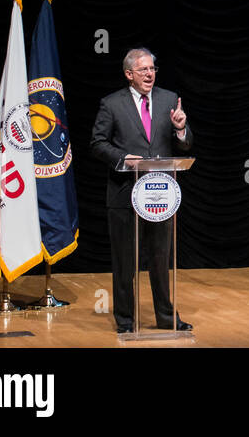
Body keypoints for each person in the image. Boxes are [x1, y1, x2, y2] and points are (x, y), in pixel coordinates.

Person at [90, 48, 193, 333]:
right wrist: (123, 158)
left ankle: (166, 317)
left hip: (160, 194)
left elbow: (184, 145)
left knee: (161, 260)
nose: (150, 74)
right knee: (126, 262)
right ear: (129, 74)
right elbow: (97, 143)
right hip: (125, 195)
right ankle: (125, 321)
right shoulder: (111, 104)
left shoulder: (169, 99)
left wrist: (181, 130)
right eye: (144, 70)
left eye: (153, 69)